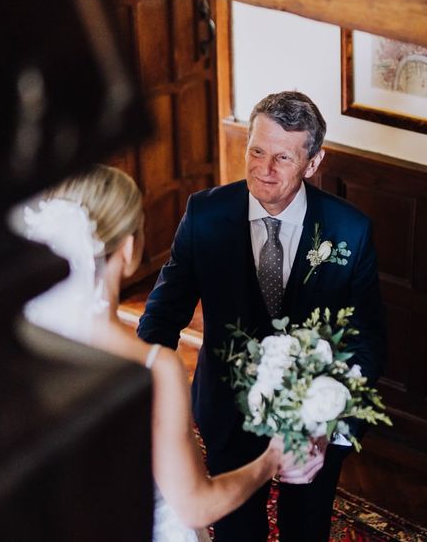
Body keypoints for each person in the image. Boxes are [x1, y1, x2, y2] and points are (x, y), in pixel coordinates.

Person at [23, 165, 324, 542]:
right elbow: (194, 506)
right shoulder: (150, 367)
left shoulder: (16, 349)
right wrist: (271, 461)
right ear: (131, 247)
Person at [138, 90, 387, 541]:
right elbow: (163, 312)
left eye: (282, 158)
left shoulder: (349, 230)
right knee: (236, 531)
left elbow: (366, 337)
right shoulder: (205, 214)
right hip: (227, 412)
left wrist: (329, 421)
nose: (263, 169)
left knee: (305, 529)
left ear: (313, 163)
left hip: (312, 420)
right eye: (256, 150)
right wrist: (145, 388)